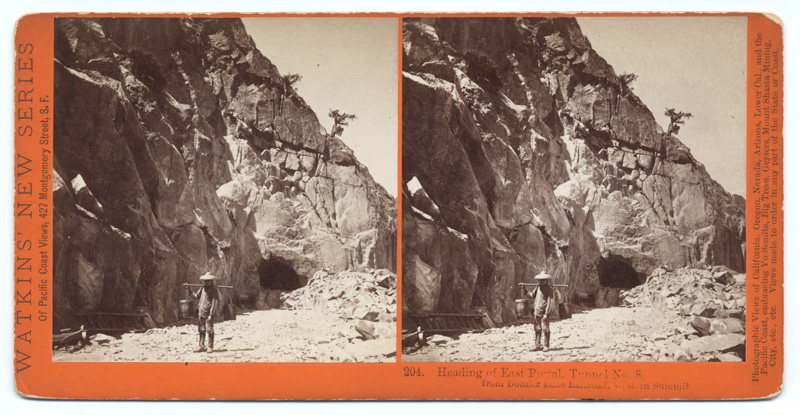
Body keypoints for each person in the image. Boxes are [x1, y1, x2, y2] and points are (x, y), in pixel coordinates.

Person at [185, 272, 221, 353]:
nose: (205, 282)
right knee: (201, 329)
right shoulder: (202, 288)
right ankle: (201, 346)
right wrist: (189, 290)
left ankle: (210, 347)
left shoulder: (214, 290)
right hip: (201, 312)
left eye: (207, 280)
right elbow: (196, 296)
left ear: (211, 281)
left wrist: (211, 314)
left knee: (209, 330)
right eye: (205, 280)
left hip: (208, 313)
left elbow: (214, 302)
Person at [527, 272, 555, 352]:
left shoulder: (549, 289)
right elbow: (532, 295)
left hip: (544, 311)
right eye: (540, 280)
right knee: (537, 328)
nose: (541, 281)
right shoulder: (538, 287)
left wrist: (546, 313)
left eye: (543, 280)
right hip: (536, 310)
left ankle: (546, 345)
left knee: (545, 329)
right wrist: (525, 291)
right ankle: (537, 345)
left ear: (546, 280)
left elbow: (549, 301)